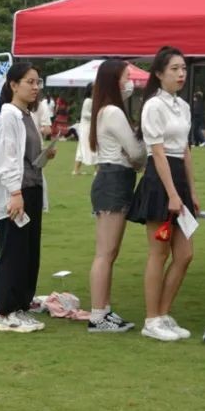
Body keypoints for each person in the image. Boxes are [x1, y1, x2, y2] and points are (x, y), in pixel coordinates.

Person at [127, 46, 198, 342]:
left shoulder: (184, 106)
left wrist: (191, 191)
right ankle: (151, 319)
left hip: (178, 178)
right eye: (174, 69)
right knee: (159, 252)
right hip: (160, 180)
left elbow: (185, 151)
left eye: (183, 69)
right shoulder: (153, 106)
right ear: (159, 73)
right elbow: (157, 152)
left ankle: (164, 314)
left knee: (185, 254)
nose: (181, 74)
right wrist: (171, 193)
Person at [0, 63, 55, 333]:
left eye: (38, 82)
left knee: (29, 252)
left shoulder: (28, 115)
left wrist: (44, 155)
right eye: (30, 82)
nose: (35, 87)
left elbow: (25, 156)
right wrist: (15, 193)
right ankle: (6, 312)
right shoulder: (9, 116)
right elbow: (6, 158)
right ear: (14, 85)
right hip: (18, 191)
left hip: (32, 187)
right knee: (14, 251)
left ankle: (21, 306)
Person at [87, 60, 146, 333]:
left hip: (114, 178)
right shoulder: (112, 111)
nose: (129, 82)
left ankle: (104, 310)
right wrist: (138, 156)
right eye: (126, 77)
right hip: (114, 179)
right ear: (114, 81)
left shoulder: (106, 110)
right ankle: (98, 315)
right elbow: (136, 153)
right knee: (105, 253)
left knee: (109, 252)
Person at [72, 84, 96, 175]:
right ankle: (97, 170)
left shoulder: (92, 100)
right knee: (91, 147)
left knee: (81, 148)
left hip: (88, 127)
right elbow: (85, 114)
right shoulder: (88, 101)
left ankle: (76, 170)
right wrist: (96, 115)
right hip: (86, 127)